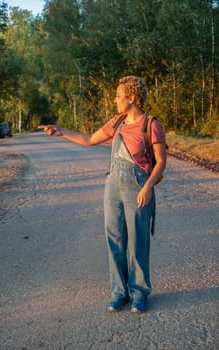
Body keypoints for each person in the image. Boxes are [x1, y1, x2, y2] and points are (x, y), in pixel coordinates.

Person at [39, 75, 166, 313]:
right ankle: (119, 293)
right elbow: (89, 139)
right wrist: (61, 131)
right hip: (113, 188)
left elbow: (160, 162)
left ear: (131, 98)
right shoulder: (117, 122)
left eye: (118, 96)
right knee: (115, 241)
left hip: (137, 187)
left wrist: (148, 187)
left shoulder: (151, 125)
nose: (115, 100)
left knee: (138, 243)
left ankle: (140, 293)